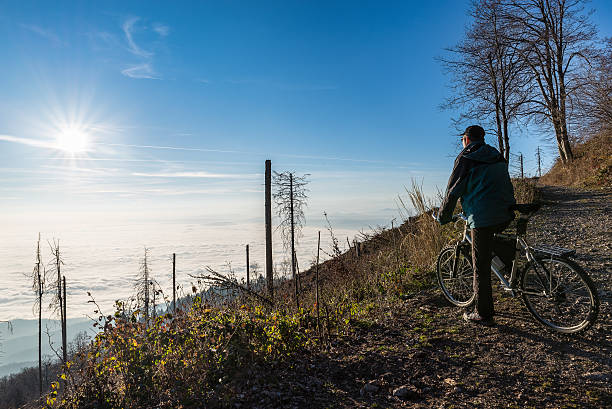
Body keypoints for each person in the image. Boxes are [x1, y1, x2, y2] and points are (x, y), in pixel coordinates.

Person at [437, 125, 516, 326]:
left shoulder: (465, 157)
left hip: (482, 216)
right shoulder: (495, 154)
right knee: (493, 239)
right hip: (506, 211)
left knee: (480, 266)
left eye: (462, 139)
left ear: (466, 139)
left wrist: (443, 217)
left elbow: (452, 191)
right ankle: (510, 271)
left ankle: (482, 313)